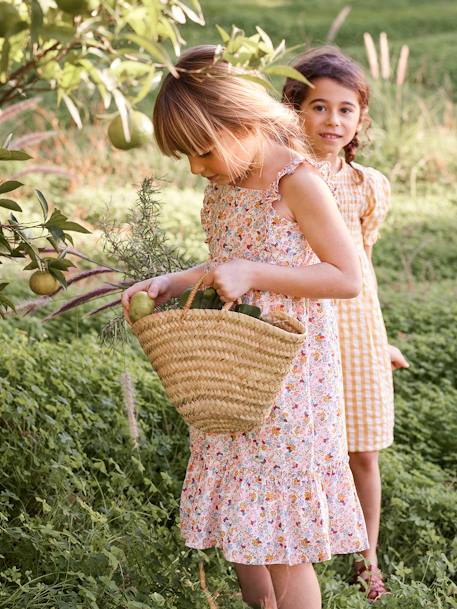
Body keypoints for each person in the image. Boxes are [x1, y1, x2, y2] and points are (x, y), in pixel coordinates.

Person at [122, 45, 368, 609]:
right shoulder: (226, 180)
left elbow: (346, 277)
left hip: (287, 374)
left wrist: (254, 271)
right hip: (234, 366)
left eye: (203, 152)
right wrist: (174, 282)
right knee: (241, 517)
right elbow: (225, 263)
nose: (196, 168)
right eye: (188, 157)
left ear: (240, 123)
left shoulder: (297, 182)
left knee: (281, 533)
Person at [282, 46, 409, 601]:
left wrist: (377, 343)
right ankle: (295, 552)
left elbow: (362, 261)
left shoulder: (367, 185)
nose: (332, 121)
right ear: (294, 110)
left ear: (361, 118)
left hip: (355, 326)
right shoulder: (281, 181)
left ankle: (367, 558)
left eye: (345, 110)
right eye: (318, 107)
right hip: (301, 324)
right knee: (301, 446)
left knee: (362, 450)